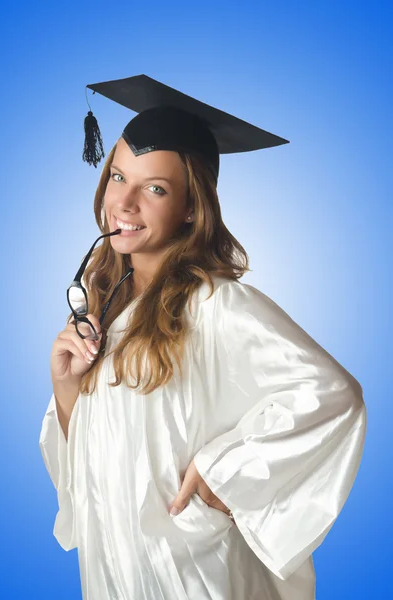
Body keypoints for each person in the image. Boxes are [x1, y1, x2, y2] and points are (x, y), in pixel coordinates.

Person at [39, 75, 367, 600]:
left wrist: (227, 472)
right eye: (118, 176)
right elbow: (96, 478)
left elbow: (332, 397)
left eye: (155, 188)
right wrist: (68, 391)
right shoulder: (110, 310)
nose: (123, 203)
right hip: (117, 575)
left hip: (195, 573)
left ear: (192, 207)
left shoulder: (216, 305)